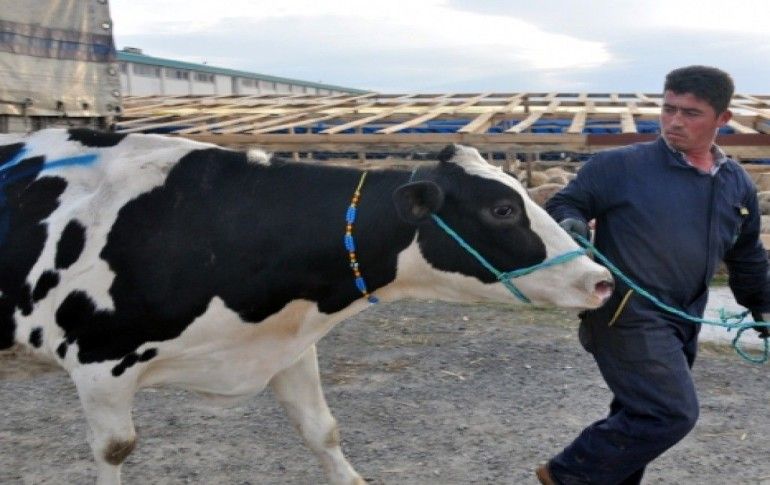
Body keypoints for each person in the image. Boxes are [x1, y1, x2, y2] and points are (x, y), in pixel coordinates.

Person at [538, 65, 770, 484]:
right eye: (669, 109)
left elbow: (747, 253)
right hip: (625, 312)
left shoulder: (735, 182)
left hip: (685, 315)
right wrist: (570, 224)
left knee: (638, 415)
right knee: (670, 412)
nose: (675, 121)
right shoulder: (620, 166)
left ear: (723, 118)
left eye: (691, 113)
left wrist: (762, 306)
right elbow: (565, 204)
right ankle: (566, 474)